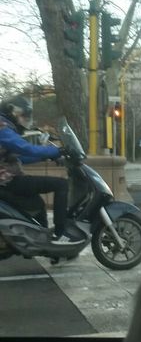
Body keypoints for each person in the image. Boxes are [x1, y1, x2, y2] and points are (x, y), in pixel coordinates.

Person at [0, 95, 78, 243]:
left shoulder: (6, 127)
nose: (25, 120)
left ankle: (44, 242)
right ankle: (61, 234)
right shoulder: (2, 128)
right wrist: (57, 151)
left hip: (8, 179)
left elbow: (20, 158)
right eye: (24, 115)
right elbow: (27, 149)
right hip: (8, 181)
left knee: (38, 204)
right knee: (61, 184)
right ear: (12, 112)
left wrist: (46, 157)